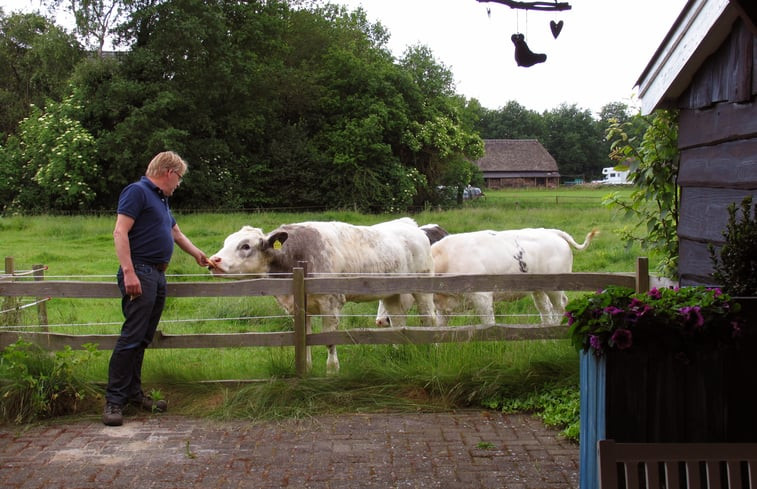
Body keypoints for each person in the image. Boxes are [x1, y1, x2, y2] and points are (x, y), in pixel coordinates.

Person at [103, 151, 210, 426]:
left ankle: (133, 395)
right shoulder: (137, 192)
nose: (178, 184)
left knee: (142, 337)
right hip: (140, 271)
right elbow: (119, 231)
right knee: (131, 336)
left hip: (157, 275)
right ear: (169, 172)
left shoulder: (160, 200)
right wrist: (128, 271)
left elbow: (175, 233)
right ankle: (114, 401)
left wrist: (199, 255)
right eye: (179, 178)